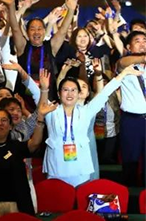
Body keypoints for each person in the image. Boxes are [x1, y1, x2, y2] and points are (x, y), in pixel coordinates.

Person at [42, 68, 138, 187]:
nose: (70, 93)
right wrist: (43, 88)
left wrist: (123, 74)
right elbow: (38, 97)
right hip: (56, 167)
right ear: (59, 93)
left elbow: (104, 93)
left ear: (79, 93)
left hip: (80, 169)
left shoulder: (86, 110)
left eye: (74, 90)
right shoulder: (52, 111)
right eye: (65, 90)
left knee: (82, 196)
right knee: (58, 197)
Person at [113, 31, 146, 185]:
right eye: (137, 41)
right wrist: (143, 58)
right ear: (128, 46)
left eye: (145, 40)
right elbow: (121, 64)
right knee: (130, 160)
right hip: (132, 120)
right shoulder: (125, 65)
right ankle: (129, 193)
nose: (142, 43)